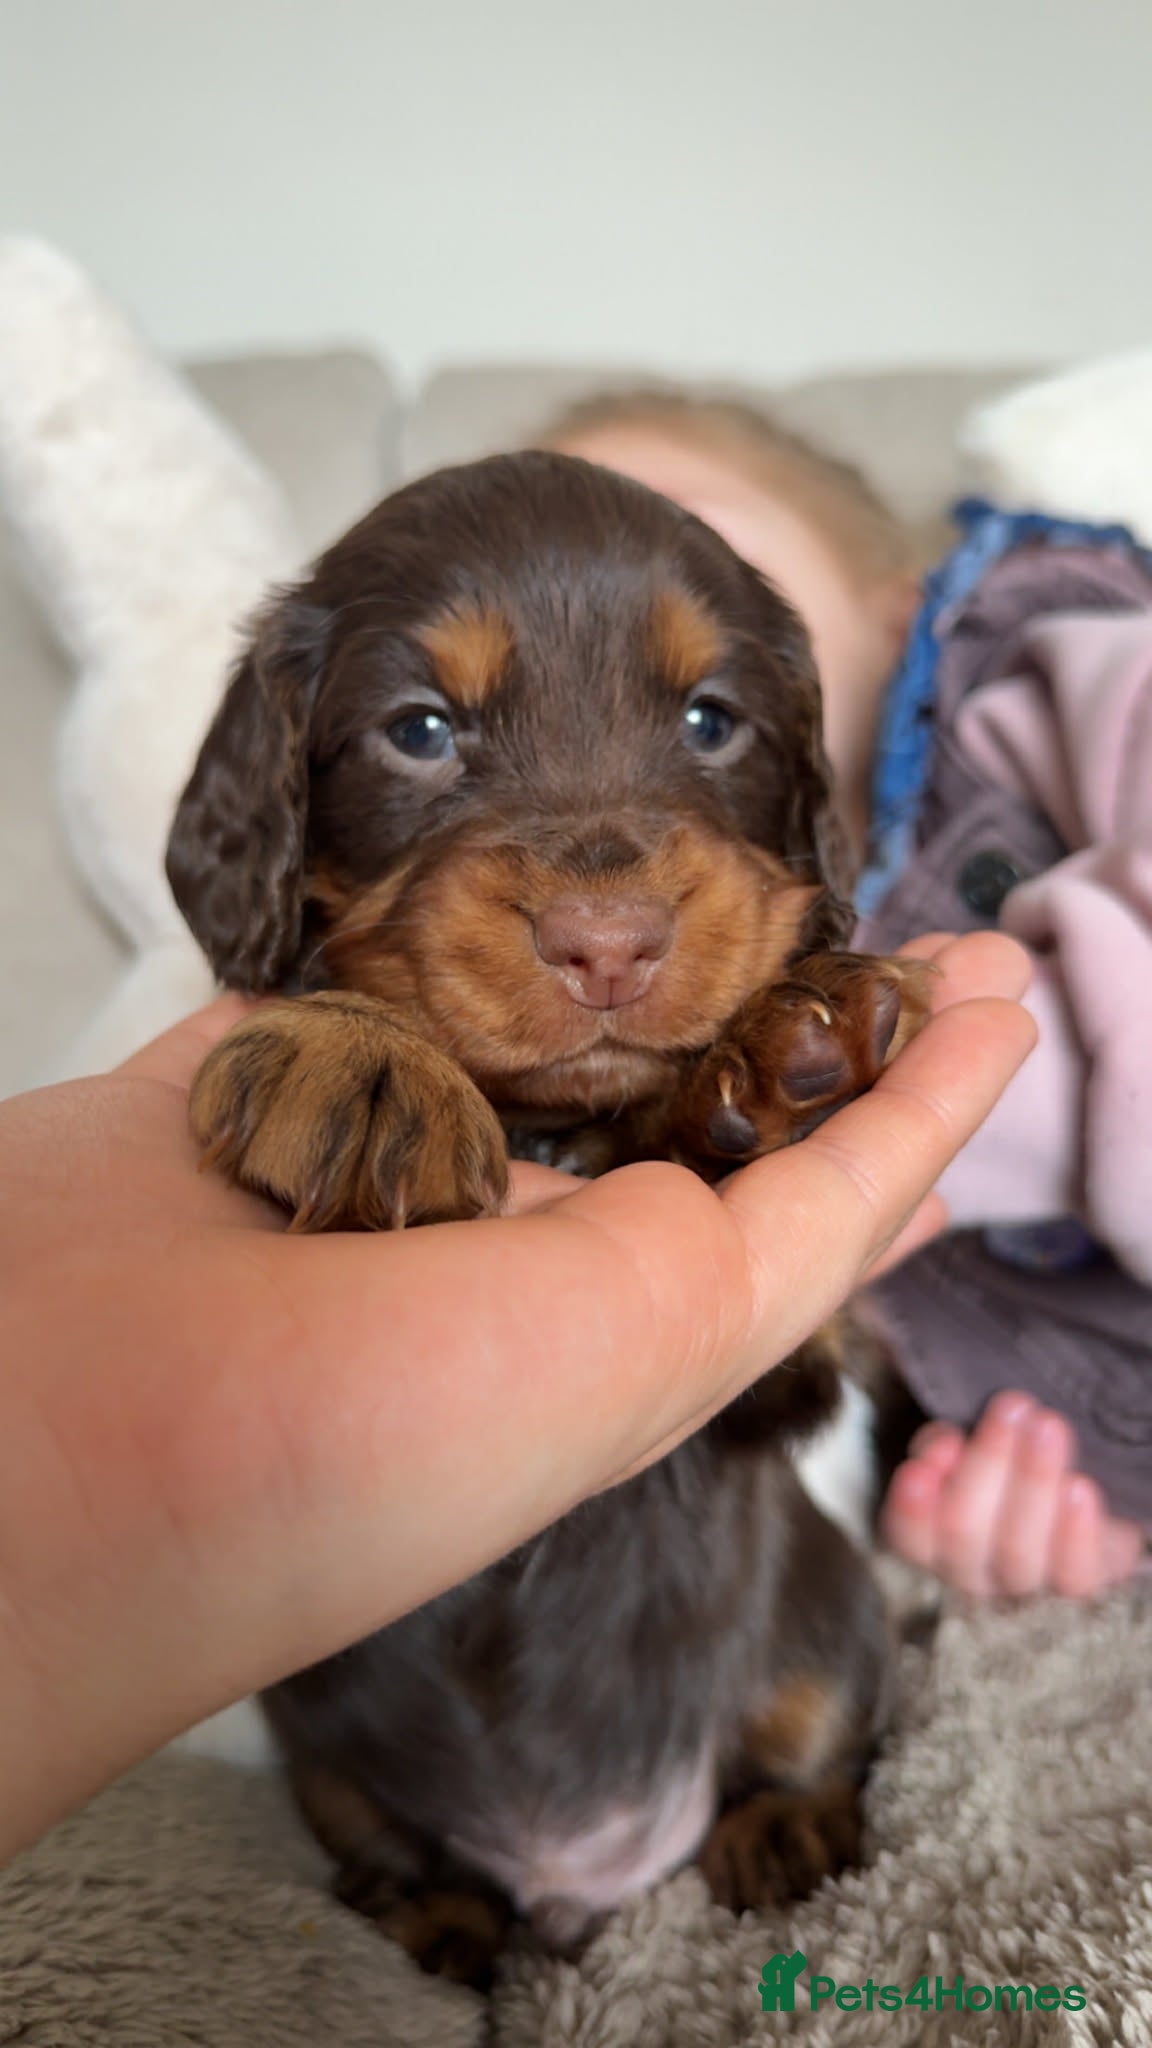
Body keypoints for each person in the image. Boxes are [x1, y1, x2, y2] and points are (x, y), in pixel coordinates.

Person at [0, 937, 1030, 1862]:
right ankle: (415, 1881)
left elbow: (789, 1399)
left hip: (726, 1695)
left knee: (810, 1609)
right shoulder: (317, 1023)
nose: (598, 924)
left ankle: (804, 1785)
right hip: (383, 1777)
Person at [543, 389, 1152, 1599]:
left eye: (679, 542)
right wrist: (1031, 1493)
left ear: (895, 606)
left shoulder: (1038, 659)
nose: (617, 642)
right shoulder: (625, 980)